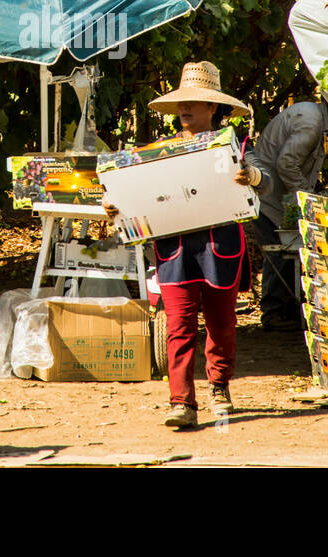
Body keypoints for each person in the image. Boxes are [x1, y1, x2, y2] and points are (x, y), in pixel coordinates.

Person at [104, 61, 257, 430]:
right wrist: (114, 206)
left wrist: (250, 175)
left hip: (220, 244)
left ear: (213, 108)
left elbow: (260, 177)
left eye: (194, 103)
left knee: (222, 324)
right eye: (180, 104)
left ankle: (219, 386)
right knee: (179, 325)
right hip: (174, 249)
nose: (184, 109)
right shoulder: (159, 153)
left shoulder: (235, 147)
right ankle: (181, 401)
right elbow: (131, 194)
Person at [243, 98, 328, 331]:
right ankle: (274, 313)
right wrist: (307, 198)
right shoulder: (311, 124)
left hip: (272, 193)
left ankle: (288, 308)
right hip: (269, 197)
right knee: (278, 252)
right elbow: (287, 163)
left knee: (284, 252)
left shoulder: (311, 117)